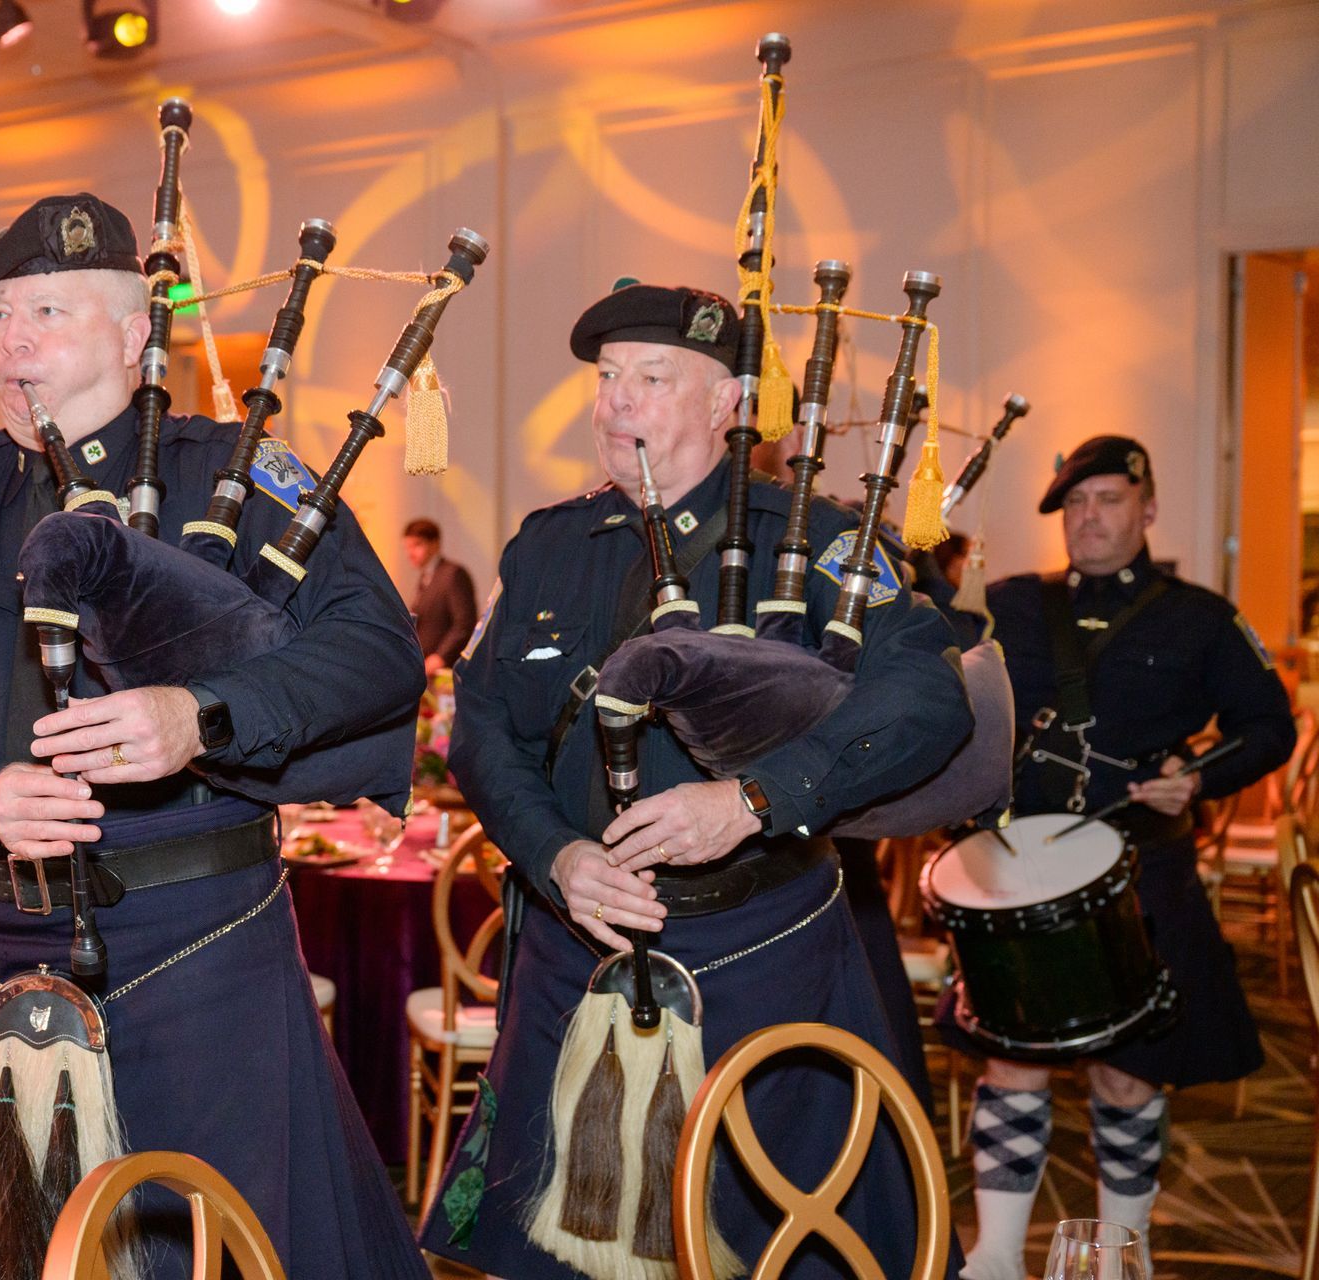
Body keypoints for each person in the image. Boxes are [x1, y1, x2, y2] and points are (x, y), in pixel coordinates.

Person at [0, 192, 428, 1280]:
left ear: (134, 332)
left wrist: (199, 715)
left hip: (199, 935)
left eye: (47, 311)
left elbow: (380, 655)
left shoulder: (238, 478)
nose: (10, 340)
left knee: (214, 1247)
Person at [417, 282, 974, 1279]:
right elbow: (484, 729)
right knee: (552, 1255)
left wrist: (755, 799)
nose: (615, 400)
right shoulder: (547, 544)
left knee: (768, 1246)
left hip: (759, 951)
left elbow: (929, 701)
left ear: (729, 405)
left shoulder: (820, 544)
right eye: (606, 377)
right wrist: (556, 854)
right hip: (573, 950)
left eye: (653, 377)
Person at [948, 435, 1294, 1280]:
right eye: (1074, 504)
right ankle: (995, 1257)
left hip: (1143, 869)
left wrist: (1197, 777)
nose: (1088, 517)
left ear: (1147, 509)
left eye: (1106, 500)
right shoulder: (1010, 605)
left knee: (1129, 1077)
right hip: (1016, 872)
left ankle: (1120, 1258)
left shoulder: (1199, 617)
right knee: (1010, 1063)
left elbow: (1270, 727)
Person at [403, 516, 477, 674]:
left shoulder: (453, 574)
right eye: (408, 547)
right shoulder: (425, 577)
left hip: (446, 669)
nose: (411, 553)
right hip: (427, 667)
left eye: (417, 545)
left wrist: (440, 657)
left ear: (435, 544)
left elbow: (464, 624)